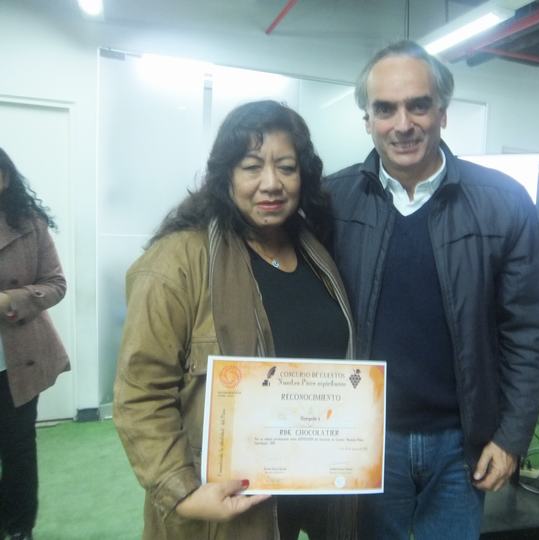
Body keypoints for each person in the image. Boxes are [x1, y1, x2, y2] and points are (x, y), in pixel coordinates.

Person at [324, 41, 539, 539]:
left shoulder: (504, 203)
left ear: (443, 113)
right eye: (385, 109)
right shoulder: (332, 202)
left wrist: (512, 438)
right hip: (364, 440)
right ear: (367, 120)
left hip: (461, 448)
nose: (403, 124)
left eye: (418, 105)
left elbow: (529, 332)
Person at [113, 100, 357, 540]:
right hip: (226, 506)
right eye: (251, 167)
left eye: (286, 167)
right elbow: (140, 393)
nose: (271, 184)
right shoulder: (177, 262)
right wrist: (183, 494)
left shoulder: (314, 250)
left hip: (316, 488)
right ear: (226, 175)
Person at [0, 147, 69, 540]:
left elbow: (55, 284)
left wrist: (10, 300)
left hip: (17, 359)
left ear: (5, 178)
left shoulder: (29, 224)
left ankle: (17, 528)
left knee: (18, 448)